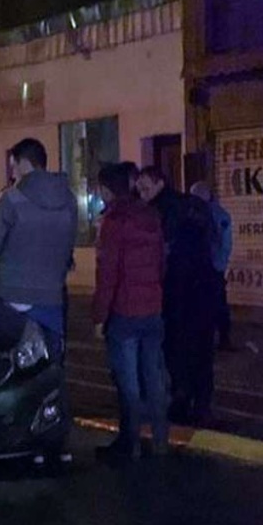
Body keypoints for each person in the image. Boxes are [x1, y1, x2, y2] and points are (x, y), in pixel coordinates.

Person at [92, 164, 168, 461]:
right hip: (152, 307)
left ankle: (131, 444)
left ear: (106, 190)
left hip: (125, 310)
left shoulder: (114, 221)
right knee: (154, 377)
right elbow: (161, 262)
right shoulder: (151, 215)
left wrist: (99, 317)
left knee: (129, 383)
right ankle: (161, 441)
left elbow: (108, 274)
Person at [137, 166, 218, 426]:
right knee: (202, 351)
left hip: (176, 293)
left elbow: (160, 255)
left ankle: (182, 400)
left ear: (160, 183)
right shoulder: (194, 206)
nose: (141, 191)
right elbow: (213, 242)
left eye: (145, 186)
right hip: (204, 289)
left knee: (177, 350)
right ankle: (202, 404)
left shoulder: (156, 213)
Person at [0, 138, 77, 351]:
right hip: (52, 295)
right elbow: (70, 243)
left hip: (12, 296)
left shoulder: (10, 199)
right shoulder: (69, 199)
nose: (12, 173)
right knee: (51, 362)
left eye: (13, 165)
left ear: (24, 163)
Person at [190, 181, 234, 351]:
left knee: (215, 303)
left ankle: (220, 337)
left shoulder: (213, 214)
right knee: (214, 303)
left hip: (210, 266)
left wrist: (219, 263)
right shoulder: (213, 213)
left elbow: (224, 242)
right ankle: (219, 337)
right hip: (209, 267)